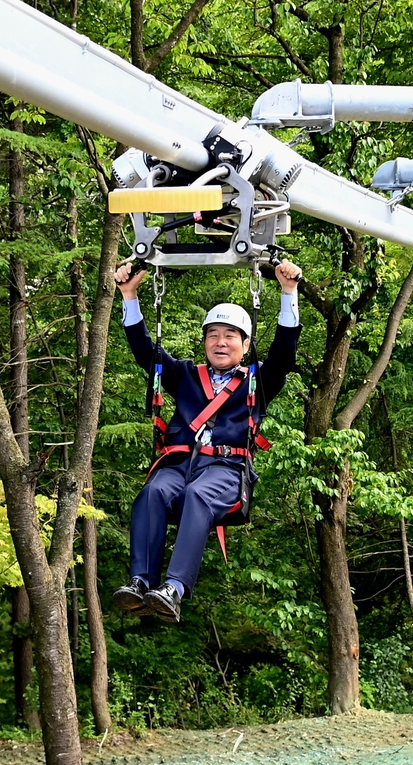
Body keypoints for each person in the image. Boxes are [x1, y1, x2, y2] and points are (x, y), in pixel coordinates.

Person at [112, 260, 302, 622]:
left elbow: (283, 353)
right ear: (204, 342)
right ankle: (140, 581)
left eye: (230, 335)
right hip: (180, 464)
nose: (220, 342)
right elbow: (145, 353)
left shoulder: (256, 382)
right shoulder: (185, 375)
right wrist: (129, 296)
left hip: (226, 469)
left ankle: (174, 588)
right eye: (213, 334)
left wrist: (288, 293)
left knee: (197, 495)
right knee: (153, 492)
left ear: (244, 345)